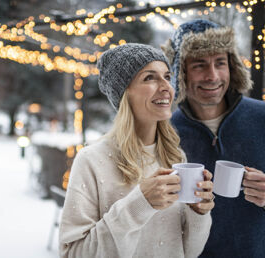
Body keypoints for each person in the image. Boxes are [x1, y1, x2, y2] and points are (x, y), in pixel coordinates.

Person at [59, 43, 214, 258]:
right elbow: (74, 253)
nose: (166, 87)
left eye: (167, 77)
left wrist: (198, 213)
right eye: (150, 77)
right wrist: (140, 204)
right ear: (125, 93)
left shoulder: (175, 157)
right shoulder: (91, 160)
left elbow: (189, 252)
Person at [161, 19, 265, 257]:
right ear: (181, 72)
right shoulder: (165, 133)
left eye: (220, 63)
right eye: (199, 65)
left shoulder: (262, 117)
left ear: (232, 67)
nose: (213, 75)